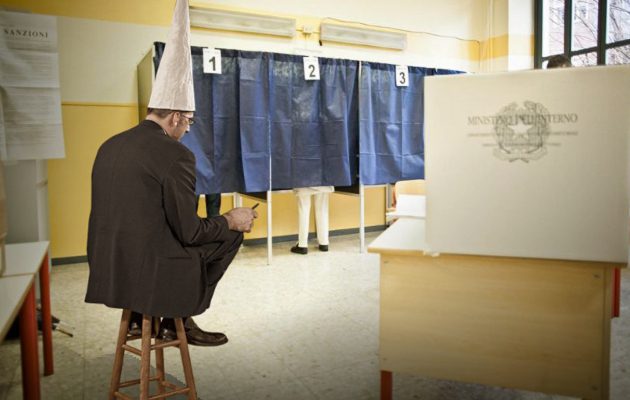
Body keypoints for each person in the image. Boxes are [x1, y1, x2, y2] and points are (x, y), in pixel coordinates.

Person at [85, 0, 257, 347]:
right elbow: (191, 232)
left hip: (108, 266)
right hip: (150, 272)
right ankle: (178, 317)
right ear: (176, 116)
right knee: (228, 236)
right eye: (188, 121)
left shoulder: (110, 144)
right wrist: (231, 219)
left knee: (161, 235)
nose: (188, 129)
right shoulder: (176, 154)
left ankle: (142, 318)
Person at [290, 186, 333, 255]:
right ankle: (324, 243)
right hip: (323, 181)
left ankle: (302, 245)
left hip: (304, 182)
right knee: (322, 209)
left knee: (304, 208)